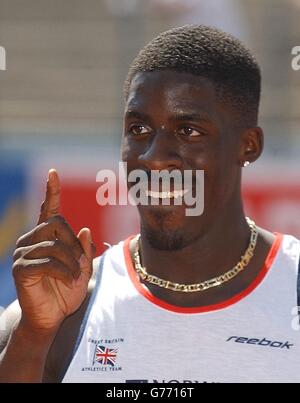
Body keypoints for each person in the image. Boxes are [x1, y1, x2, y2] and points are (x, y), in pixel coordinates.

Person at [0, 25, 299, 383]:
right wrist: (34, 338)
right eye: (139, 130)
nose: (155, 158)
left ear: (248, 145)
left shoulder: (291, 285)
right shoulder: (55, 315)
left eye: (188, 131)